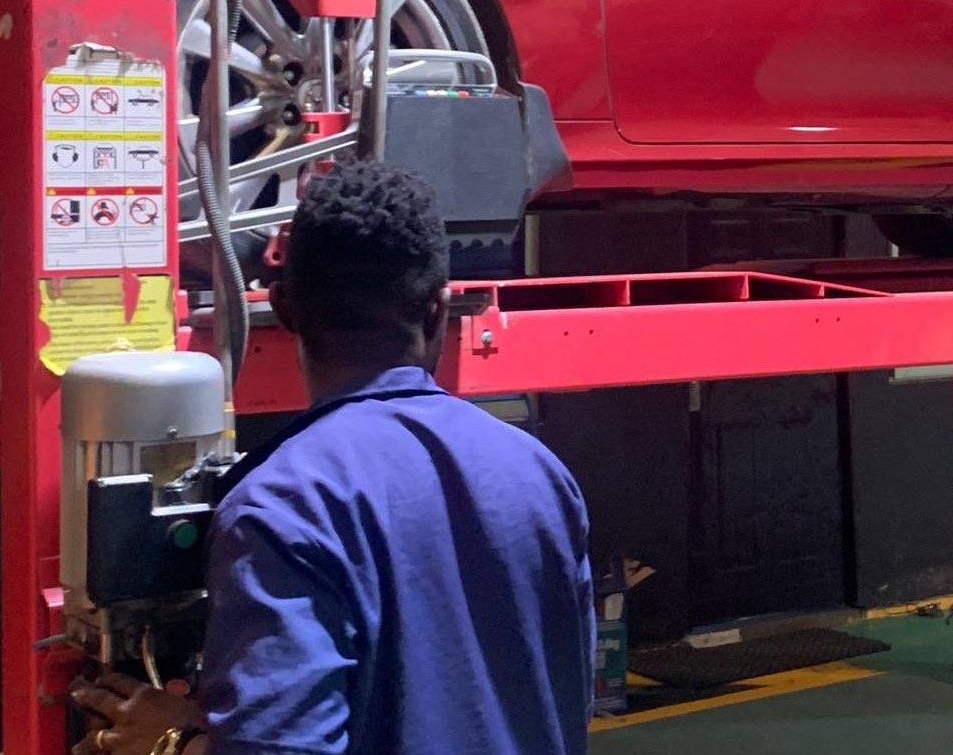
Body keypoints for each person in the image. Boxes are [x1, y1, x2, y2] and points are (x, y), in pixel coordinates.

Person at [75, 159, 594, 755]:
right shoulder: (539, 473)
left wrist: (169, 739)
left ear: (284, 308)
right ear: (437, 309)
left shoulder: (284, 506)